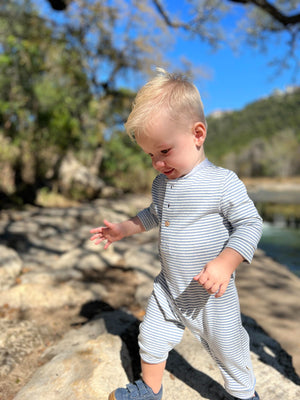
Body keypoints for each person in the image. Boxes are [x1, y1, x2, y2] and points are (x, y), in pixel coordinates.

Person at [90, 68, 263, 400]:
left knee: (230, 351)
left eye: (164, 151)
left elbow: (250, 224)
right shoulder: (162, 184)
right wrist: (122, 229)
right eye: (151, 155)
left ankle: (245, 395)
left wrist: (226, 263)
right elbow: (154, 215)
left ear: (198, 133)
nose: (157, 163)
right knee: (151, 335)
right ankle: (150, 389)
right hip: (170, 286)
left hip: (210, 294)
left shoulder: (221, 182)